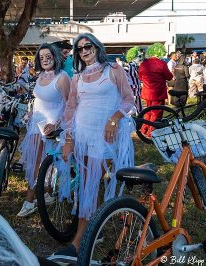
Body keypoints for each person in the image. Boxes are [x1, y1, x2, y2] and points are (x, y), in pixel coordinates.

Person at [52, 32, 135, 260]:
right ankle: (92, 230)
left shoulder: (113, 70)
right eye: (80, 48)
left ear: (97, 47)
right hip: (81, 135)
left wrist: (114, 119)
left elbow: (129, 99)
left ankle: (78, 243)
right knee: (86, 184)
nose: (85, 51)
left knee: (90, 183)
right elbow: (70, 109)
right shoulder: (78, 77)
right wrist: (68, 140)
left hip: (104, 137)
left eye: (88, 46)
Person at [17, 43, 70, 217]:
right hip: (35, 124)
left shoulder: (62, 78)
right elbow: (39, 99)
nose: (45, 60)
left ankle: (37, 196)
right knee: (33, 162)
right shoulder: (40, 76)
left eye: (48, 56)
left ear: (55, 57)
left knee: (48, 165)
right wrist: (30, 113)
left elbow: (70, 105)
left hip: (52, 127)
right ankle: (35, 197)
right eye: (42, 57)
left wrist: (56, 125)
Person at [139, 43, 173, 137]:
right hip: (158, 92)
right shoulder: (161, 63)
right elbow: (169, 77)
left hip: (147, 91)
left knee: (148, 111)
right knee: (156, 113)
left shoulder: (143, 63)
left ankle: (144, 128)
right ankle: (151, 132)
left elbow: (140, 77)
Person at [125, 46, 142, 114]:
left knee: (138, 106)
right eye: (139, 56)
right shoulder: (128, 66)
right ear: (133, 57)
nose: (140, 58)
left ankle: (139, 119)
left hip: (136, 89)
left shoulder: (135, 66)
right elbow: (123, 76)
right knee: (133, 107)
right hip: (132, 89)